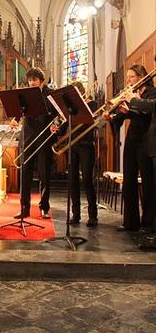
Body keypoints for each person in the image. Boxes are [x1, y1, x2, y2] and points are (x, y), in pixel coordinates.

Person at [103, 64, 156, 232]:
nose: (128, 80)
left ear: (141, 77)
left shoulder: (151, 92)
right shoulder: (132, 94)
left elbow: (147, 112)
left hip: (146, 139)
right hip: (132, 139)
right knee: (129, 182)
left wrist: (132, 103)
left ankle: (147, 223)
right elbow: (128, 114)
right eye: (128, 77)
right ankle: (130, 222)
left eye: (132, 77)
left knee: (148, 183)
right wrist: (113, 117)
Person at [14, 67, 57, 219]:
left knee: (44, 174)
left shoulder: (49, 94)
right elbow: (19, 111)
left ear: (41, 80)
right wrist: (15, 119)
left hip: (44, 138)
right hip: (28, 137)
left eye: (35, 80)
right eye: (30, 80)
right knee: (25, 173)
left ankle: (44, 207)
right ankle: (24, 208)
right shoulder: (25, 94)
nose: (32, 82)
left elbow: (57, 113)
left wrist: (55, 124)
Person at [69, 81, 98, 227]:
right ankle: (76, 214)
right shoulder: (70, 108)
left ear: (81, 91)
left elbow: (92, 121)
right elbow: (66, 125)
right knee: (73, 181)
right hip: (72, 145)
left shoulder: (91, 104)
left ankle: (93, 216)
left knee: (87, 180)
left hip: (87, 146)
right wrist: (58, 130)